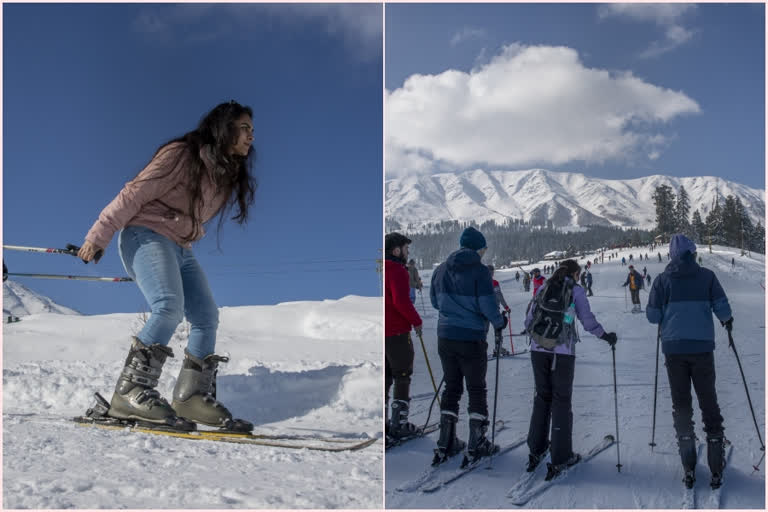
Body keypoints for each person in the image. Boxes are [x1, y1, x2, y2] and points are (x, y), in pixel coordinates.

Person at [78, 100, 256, 431]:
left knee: (206, 317)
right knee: (168, 306)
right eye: (244, 128)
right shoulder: (182, 155)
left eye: (252, 130)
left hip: (179, 246)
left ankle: (190, 396)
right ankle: (130, 392)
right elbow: (133, 194)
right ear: (224, 128)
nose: (250, 137)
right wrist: (97, 237)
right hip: (144, 234)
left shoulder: (224, 174)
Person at [646, 234, 732, 488]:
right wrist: (727, 321)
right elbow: (723, 310)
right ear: (692, 252)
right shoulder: (707, 276)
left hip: (674, 350)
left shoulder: (662, 280)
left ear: (672, 255)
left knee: (681, 406)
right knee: (709, 402)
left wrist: (666, 310)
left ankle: (688, 465)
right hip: (702, 349)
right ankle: (716, 466)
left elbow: (652, 316)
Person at [524, 260, 617, 478]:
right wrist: (604, 335)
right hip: (562, 352)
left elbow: (529, 317)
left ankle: (535, 450)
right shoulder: (575, 291)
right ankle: (561, 455)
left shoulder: (544, 286)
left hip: (538, 349)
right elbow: (586, 320)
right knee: (561, 401)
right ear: (576, 274)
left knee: (541, 397)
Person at [430, 227, 507, 463]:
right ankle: (477, 441)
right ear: (477, 248)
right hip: (472, 336)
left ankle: (446, 439)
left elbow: (435, 301)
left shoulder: (440, 269)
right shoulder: (480, 271)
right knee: (476, 388)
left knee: (451, 387)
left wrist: (452, 310)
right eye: (483, 248)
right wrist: (498, 321)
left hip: (445, 336)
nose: (484, 253)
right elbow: (487, 305)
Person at [384, 233, 424, 440]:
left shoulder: (382, 269)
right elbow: (401, 302)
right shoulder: (398, 271)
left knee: (386, 377)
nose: (408, 253)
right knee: (402, 376)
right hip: (397, 333)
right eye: (406, 249)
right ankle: (399, 425)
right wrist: (416, 321)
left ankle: (383, 424)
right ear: (396, 250)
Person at [489, 265, 511, 357]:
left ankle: (479, 350)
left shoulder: (480, 282)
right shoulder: (494, 283)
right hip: (493, 309)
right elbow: (499, 296)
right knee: (498, 328)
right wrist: (506, 307)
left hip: (481, 310)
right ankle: (498, 348)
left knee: (482, 331)